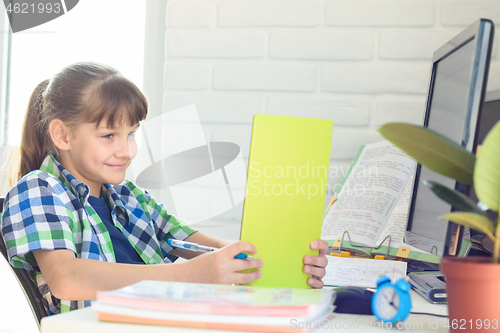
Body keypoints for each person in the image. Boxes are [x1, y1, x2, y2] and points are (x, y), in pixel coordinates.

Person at [0, 62, 329, 316]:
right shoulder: (39, 190)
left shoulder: (130, 196)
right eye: (108, 136)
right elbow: (67, 278)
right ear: (63, 136)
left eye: (131, 133)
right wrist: (189, 274)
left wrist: (268, 258)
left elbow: (198, 244)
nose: (126, 150)